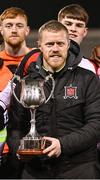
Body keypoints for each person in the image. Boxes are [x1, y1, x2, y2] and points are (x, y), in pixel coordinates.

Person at [7, 20, 100, 179]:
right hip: (36, 170)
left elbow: (96, 124)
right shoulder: (25, 83)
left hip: (80, 169)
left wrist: (62, 145)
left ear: (68, 44)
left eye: (60, 44)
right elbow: (15, 127)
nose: (55, 49)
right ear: (40, 46)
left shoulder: (87, 79)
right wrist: (19, 150)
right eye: (50, 44)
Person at [0, 6, 33, 178]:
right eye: (9, 25)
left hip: (35, 141)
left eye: (19, 25)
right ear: (1, 29)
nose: (14, 30)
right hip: (3, 148)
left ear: (27, 30)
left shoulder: (40, 59)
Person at [58, 4, 96, 73]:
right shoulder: (37, 59)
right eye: (68, 24)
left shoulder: (91, 67)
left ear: (84, 32)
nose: (73, 29)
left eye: (79, 25)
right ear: (57, 27)